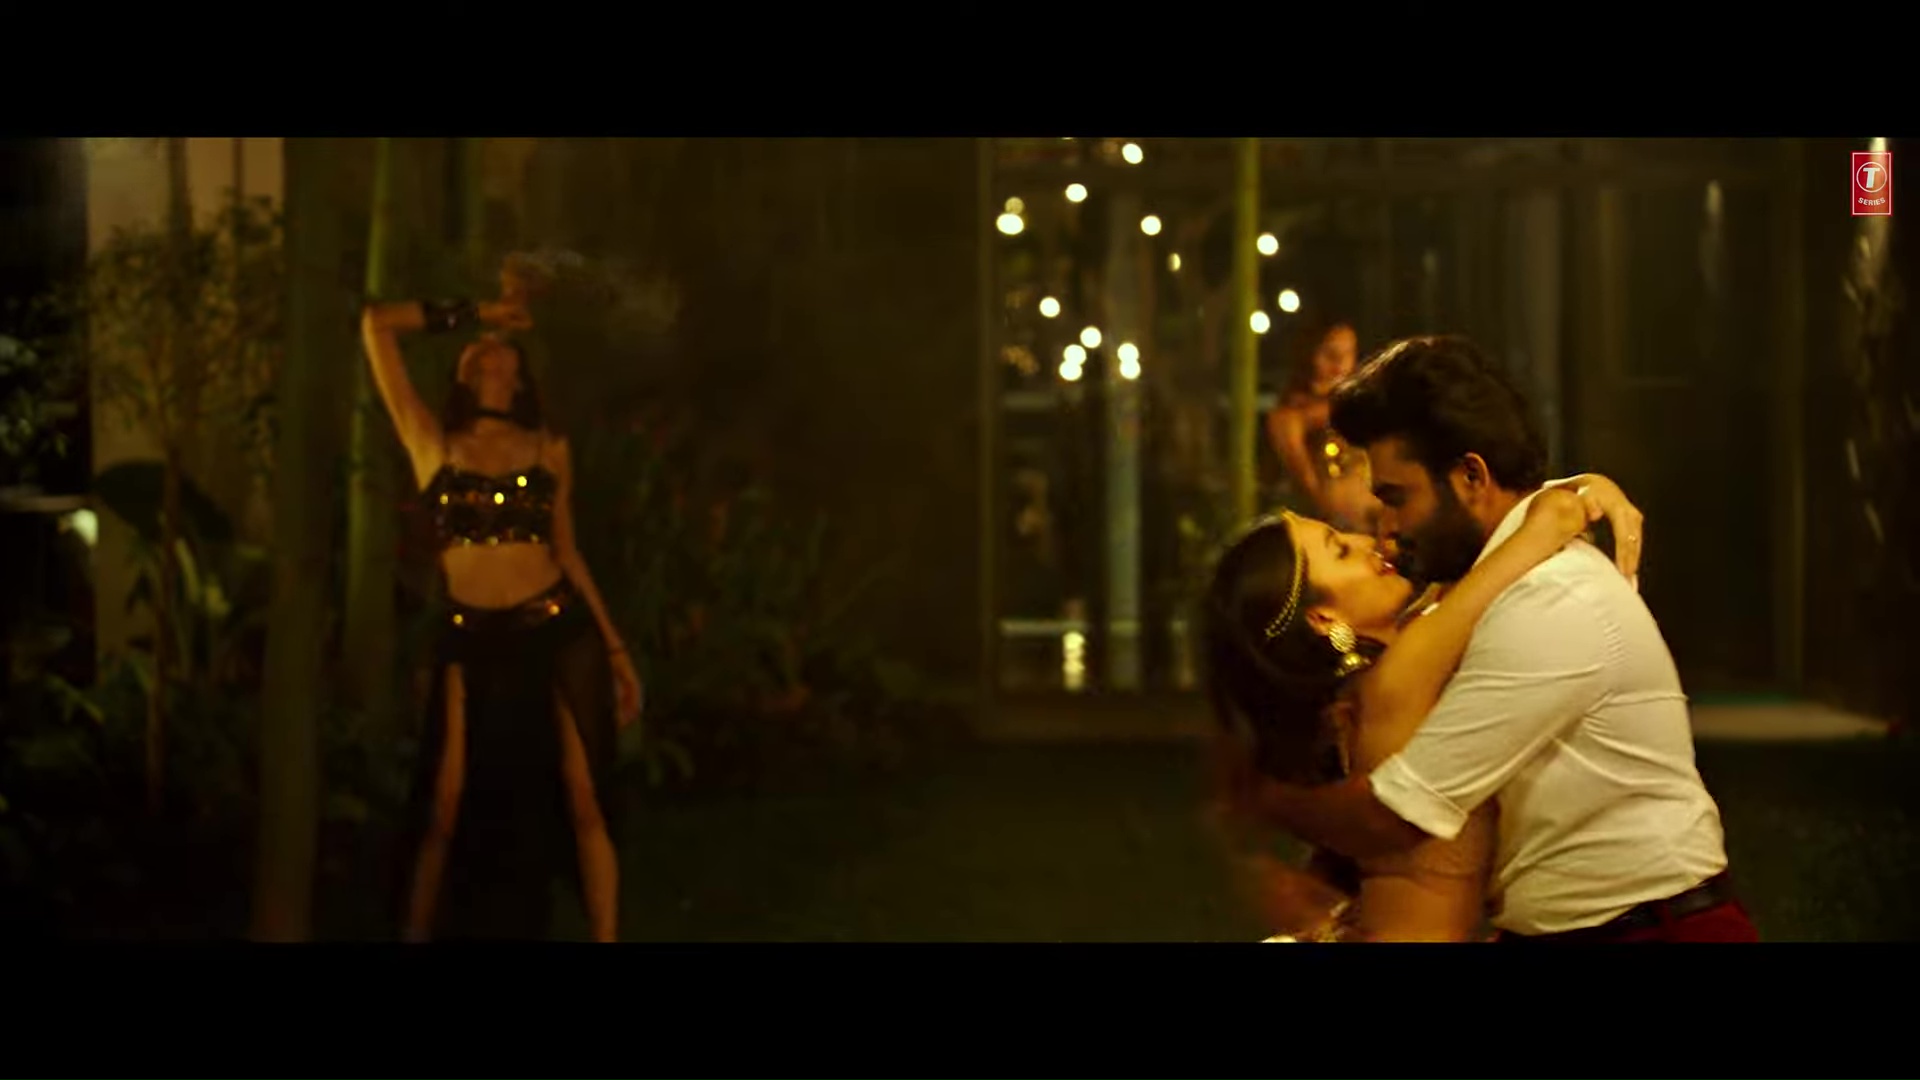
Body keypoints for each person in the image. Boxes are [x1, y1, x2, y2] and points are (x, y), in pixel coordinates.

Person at [1233, 335, 1755, 943]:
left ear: (1470, 476)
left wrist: (1266, 800)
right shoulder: (1479, 590)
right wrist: (1569, 495)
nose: (1385, 529)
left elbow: (1394, 817)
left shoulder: (1547, 602)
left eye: (1397, 497)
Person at [1206, 476, 1639, 941]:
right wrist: (1576, 498)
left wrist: (1580, 491)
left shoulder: (1388, 673)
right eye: (1341, 551)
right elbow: (1532, 538)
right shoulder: (1400, 676)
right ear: (1322, 617)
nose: (1365, 542)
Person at [362, 257, 643, 942]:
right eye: (477, 349)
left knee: (583, 796)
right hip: (472, 640)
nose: (489, 352)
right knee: (444, 805)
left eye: (501, 349)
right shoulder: (433, 443)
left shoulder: (548, 448)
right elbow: (376, 325)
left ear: (519, 375)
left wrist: (615, 650)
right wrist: (480, 311)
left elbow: (567, 551)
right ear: (463, 372)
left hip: (555, 629)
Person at [1263, 316, 1374, 532]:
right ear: (1310, 352)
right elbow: (1303, 477)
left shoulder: (1359, 402)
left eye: (1348, 352)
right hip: (1321, 524)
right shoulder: (1290, 416)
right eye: (1329, 351)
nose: (1339, 360)